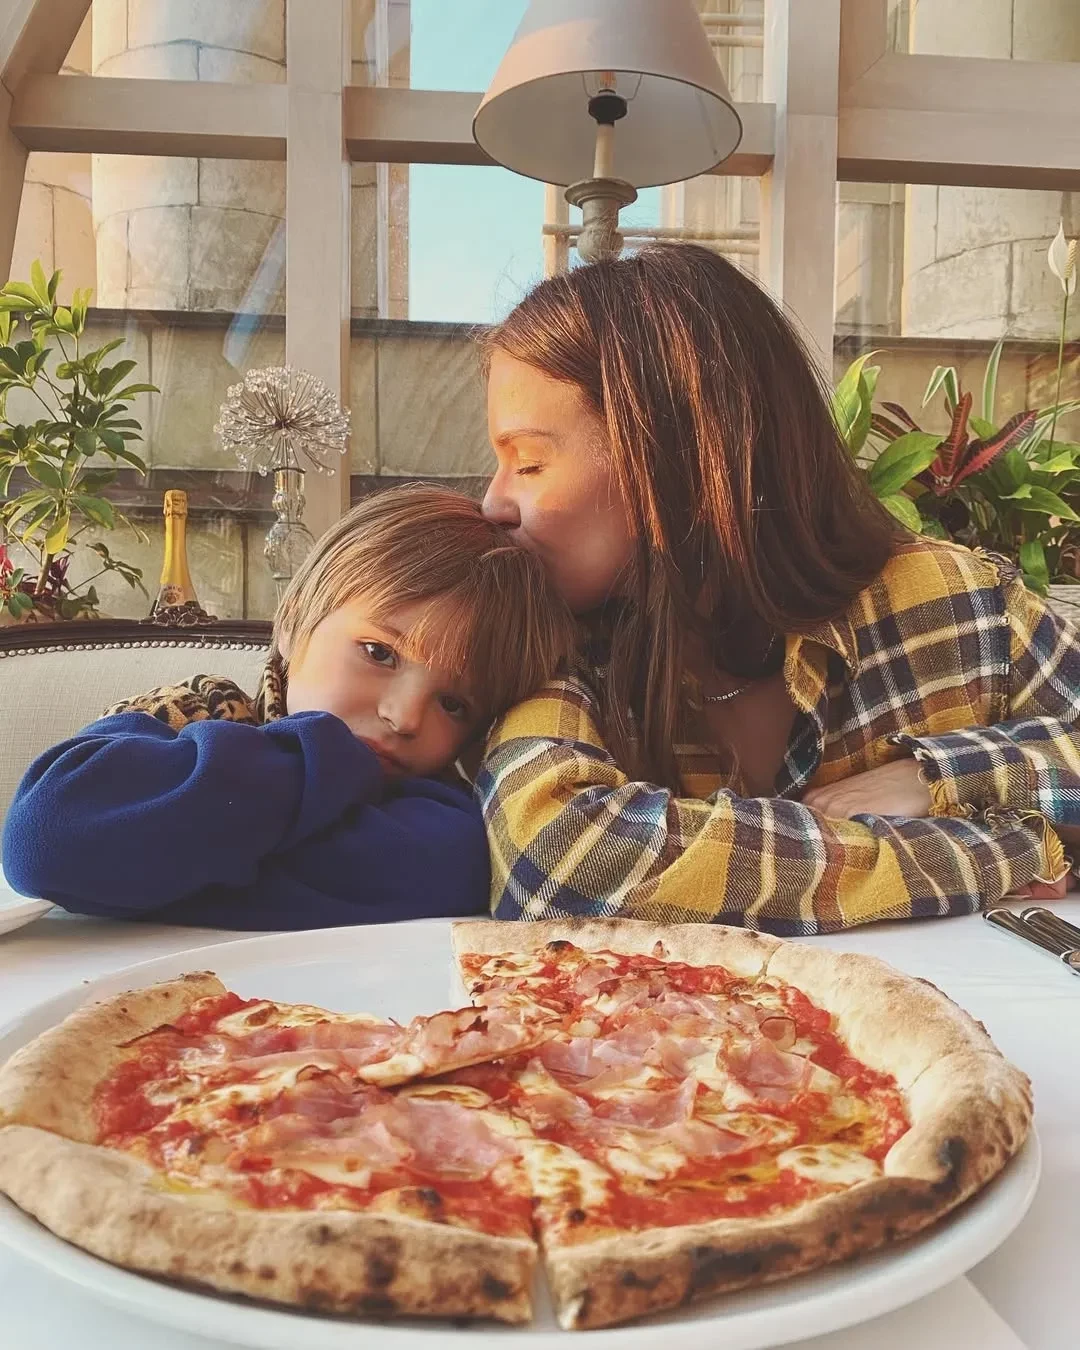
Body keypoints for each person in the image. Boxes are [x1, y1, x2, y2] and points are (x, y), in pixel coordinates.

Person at [476, 243, 1080, 934]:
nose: (492, 501)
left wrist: (935, 775)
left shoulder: (957, 605)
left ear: (680, 454)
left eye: (528, 462)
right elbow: (562, 864)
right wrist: (1007, 847)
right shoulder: (550, 647)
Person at [2, 485, 574, 929]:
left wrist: (168, 868)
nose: (404, 717)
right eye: (379, 652)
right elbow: (48, 840)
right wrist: (320, 754)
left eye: (453, 703)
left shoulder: (440, 806)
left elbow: (447, 869)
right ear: (295, 621)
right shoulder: (187, 713)